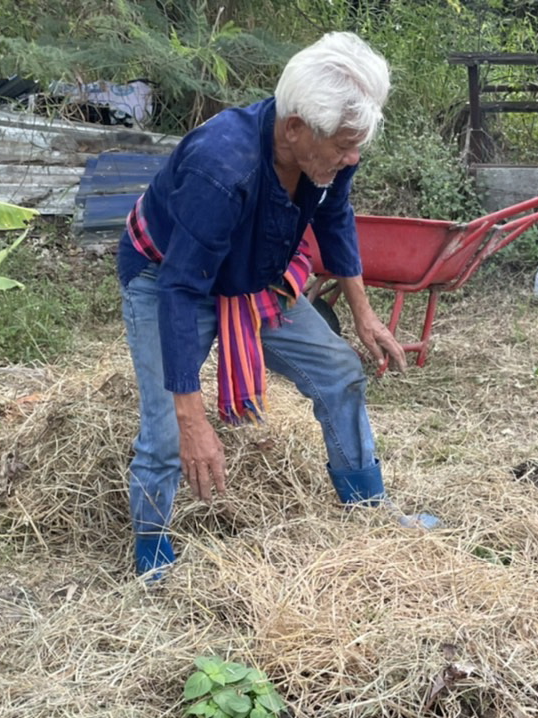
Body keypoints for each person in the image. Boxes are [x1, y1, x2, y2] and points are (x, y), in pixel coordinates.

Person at [117, 31, 431, 578]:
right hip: (166, 276)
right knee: (167, 430)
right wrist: (193, 419)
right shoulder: (222, 168)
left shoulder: (329, 150)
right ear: (294, 128)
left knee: (338, 371)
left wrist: (363, 314)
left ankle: (366, 508)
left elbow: (335, 219)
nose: (353, 157)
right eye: (344, 146)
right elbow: (181, 288)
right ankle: (153, 558)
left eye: (358, 144)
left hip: (253, 268)